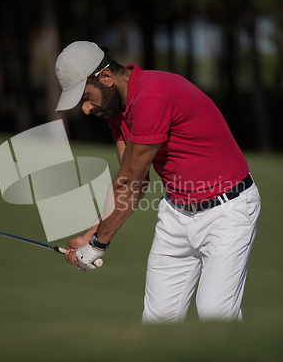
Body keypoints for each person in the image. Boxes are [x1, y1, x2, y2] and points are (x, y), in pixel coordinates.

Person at [54, 41, 261, 322]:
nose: (86, 109)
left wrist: (97, 245)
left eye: (86, 97)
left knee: (216, 317)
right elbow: (134, 183)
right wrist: (92, 232)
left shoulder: (152, 96)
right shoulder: (116, 109)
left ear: (105, 77)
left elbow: (130, 182)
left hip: (227, 211)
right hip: (176, 213)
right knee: (158, 322)